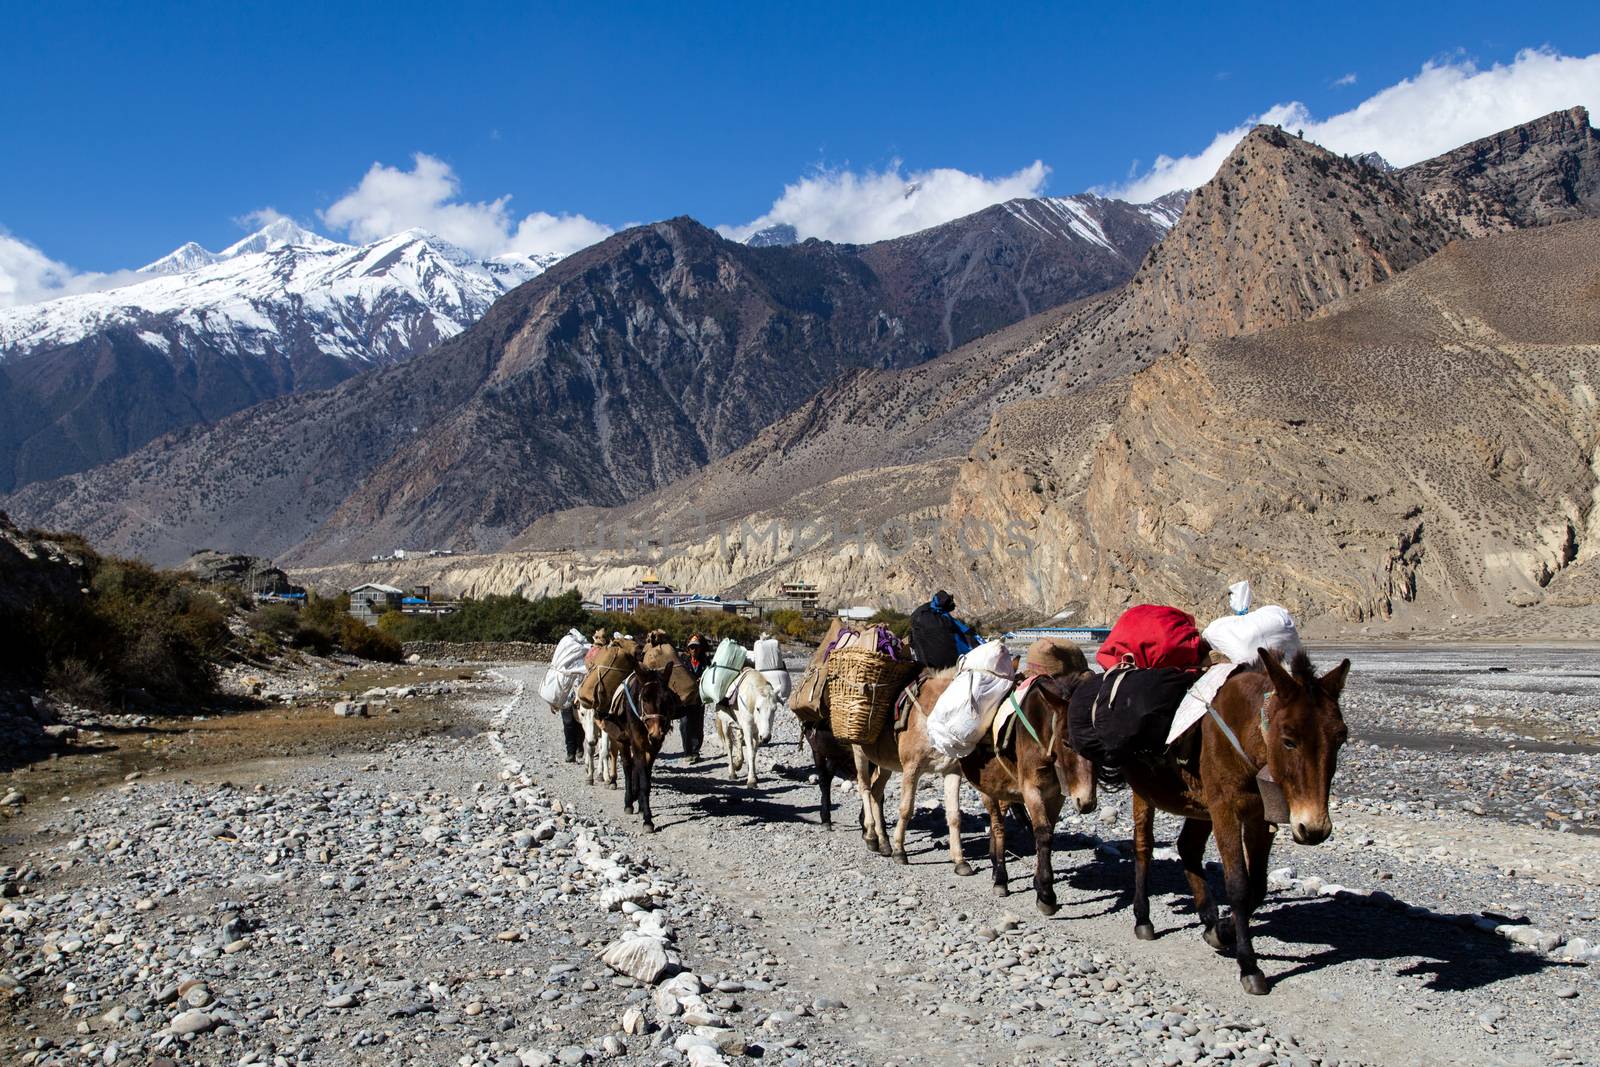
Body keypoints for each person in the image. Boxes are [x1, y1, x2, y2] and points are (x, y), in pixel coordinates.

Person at [910, 589, 979, 669]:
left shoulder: (920, 615)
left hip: (931, 667)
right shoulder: (943, 616)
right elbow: (964, 631)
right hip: (956, 661)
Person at [679, 634, 710, 759]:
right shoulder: (683, 662)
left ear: (700, 649)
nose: (694, 650)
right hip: (685, 699)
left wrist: (702, 680)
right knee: (684, 724)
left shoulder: (706, 662)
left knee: (698, 725)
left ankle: (695, 751)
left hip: (698, 699)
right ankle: (687, 752)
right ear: (688, 649)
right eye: (692, 647)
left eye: (696, 648)